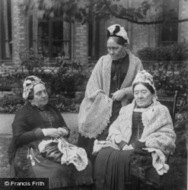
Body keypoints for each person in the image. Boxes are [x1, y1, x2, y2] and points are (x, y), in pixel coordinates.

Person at [93, 70, 176, 190]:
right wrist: (122, 143)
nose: (140, 96)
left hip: (146, 148)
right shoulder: (126, 109)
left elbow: (167, 136)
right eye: (136, 93)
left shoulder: (160, 110)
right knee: (103, 155)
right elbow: (114, 129)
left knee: (132, 159)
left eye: (144, 92)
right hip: (124, 145)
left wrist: (139, 144)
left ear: (152, 94)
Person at [8, 76, 93, 190]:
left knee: (84, 164)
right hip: (33, 150)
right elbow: (18, 138)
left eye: (44, 91)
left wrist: (64, 131)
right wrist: (44, 132)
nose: (44, 95)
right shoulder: (23, 113)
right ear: (30, 96)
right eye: (39, 93)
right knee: (56, 171)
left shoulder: (52, 109)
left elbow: (65, 128)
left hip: (58, 147)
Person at [78, 24, 143, 161]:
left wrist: (126, 91)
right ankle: (88, 169)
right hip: (102, 105)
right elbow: (92, 84)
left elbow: (142, 85)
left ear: (125, 47)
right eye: (109, 48)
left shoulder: (135, 63)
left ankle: (109, 169)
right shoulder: (102, 61)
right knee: (91, 132)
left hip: (123, 107)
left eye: (115, 48)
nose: (111, 52)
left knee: (115, 136)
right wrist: (102, 96)